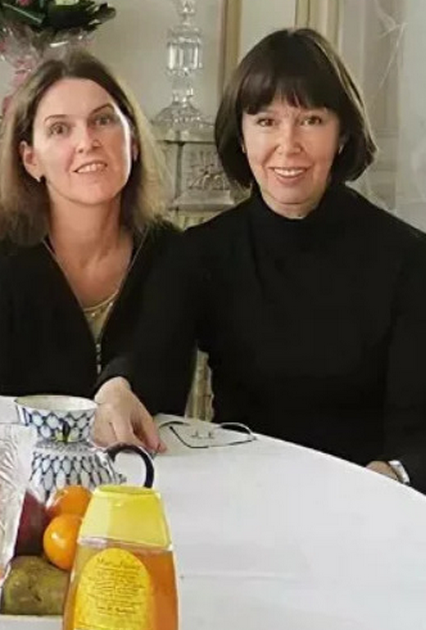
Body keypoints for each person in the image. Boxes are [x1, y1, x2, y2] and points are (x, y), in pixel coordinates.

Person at [93, 28, 426, 491]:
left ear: (343, 134)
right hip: (239, 488)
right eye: (266, 121)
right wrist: (117, 387)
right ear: (242, 135)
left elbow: (417, 433)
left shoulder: (409, 258)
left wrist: (389, 476)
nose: (288, 144)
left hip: (362, 495)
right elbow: (150, 366)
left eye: (311, 120)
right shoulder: (202, 253)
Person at [0, 50, 178, 399]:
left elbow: (166, 388)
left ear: (132, 142)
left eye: (103, 120)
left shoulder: (169, 252)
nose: (87, 142)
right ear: (30, 159)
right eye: (59, 129)